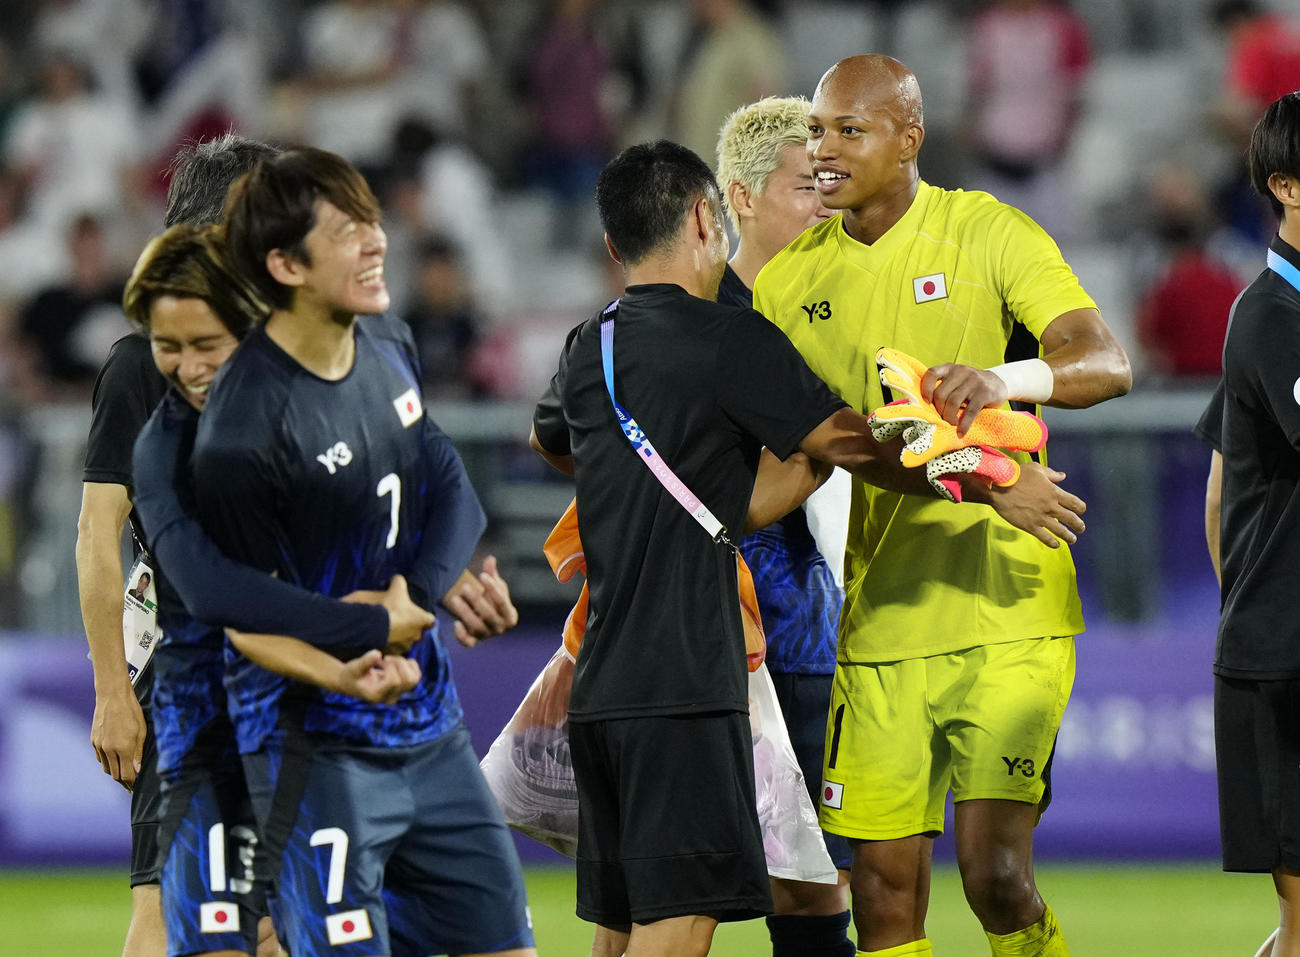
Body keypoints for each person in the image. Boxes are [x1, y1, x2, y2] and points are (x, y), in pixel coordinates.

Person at [529, 139, 1088, 957]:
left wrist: (679, 499)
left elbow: (553, 443)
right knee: (680, 926)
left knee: (618, 930)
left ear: (613, 245)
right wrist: (989, 477)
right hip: (686, 681)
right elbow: (858, 444)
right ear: (704, 217)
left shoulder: (591, 344)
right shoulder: (730, 339)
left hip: (602, 682)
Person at [751, 55, 1132, 957]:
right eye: (817, 130)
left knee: (996, 875)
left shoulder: (987, 232)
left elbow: (1104, 360)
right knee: (882, 895)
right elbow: (831, 448)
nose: (825, 150)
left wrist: (1001, 377)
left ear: (908, 138)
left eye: (850, 129)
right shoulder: (785, 287)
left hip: (1010, 605)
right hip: (881, 619)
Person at [186, 146, 535, 957]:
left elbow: (446, 477)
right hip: (316, 749)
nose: (376, 240)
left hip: (431, 727)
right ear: (285, 264)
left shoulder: (387, 339)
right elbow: (243, 618)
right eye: (346, 230)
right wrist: (351, 652)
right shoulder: (242, 427)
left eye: (371, 220)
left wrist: (422, 593)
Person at [126, 220, 431, 957]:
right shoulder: (163, 447)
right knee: (212, 939)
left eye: (208, 345)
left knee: (303, 934)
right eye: (169, 347)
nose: (188, 367)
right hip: (204, 718)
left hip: (307, 722)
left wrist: (413, 600)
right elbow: (209, 592)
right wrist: (362, 632)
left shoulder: (325, 407)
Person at [715, 94, 853, 957]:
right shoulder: (698, 326)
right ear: (739, 196)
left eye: (832, 184)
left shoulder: (846, 308)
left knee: (827, 889)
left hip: (821, 643)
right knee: (663, 899)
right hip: (723, 645)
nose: (825, 205)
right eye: (808, 185)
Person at [1196, 90, 1300, 957]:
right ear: (1286, 186)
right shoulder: (1272, 314)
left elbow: (1221, 477)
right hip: (1288, 657)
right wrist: (1259, 612)